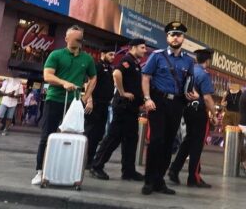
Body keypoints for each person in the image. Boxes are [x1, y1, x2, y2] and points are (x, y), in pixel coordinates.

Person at [31, 25, 97, 186]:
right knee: (47, 135)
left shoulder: (87, 59)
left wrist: (86, 97)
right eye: (75, 38)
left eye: (80, 38)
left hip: (74, 103)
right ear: (67, 39)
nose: (79, 41)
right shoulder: (56, 55)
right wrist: (64, 83)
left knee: (72, 135)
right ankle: (40, 171)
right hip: (55, 100)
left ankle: (67, 170)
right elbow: (47, 75)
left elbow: (93, 78)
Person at [140, 21, 199, 196]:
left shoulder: (189, 61)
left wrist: (193, 94)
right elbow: (145, 77)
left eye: (179, 35)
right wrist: (147, 98)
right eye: (172, 34)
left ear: (183, 38)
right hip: (158, 102)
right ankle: (149, 180)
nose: (175, 37)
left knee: (169, 143)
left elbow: (189, 83)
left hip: (177, 104)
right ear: (167, 37)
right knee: (156, 140)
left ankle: (159, 180)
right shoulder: (157, 56)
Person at [90, 39, 147, 181]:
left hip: (131, 108)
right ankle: (96, 166)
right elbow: (116, 74)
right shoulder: (126, 60)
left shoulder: (135, 63)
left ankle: (128, 170)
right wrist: (122, 92)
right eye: (142, 47)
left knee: (131, 139)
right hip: (123, 106)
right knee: (113, 138)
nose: (145, 50)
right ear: (133, 48)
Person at [169, 48, 218, 188]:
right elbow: (208, 98)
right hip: (198, 112)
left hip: (187, 110)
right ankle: (193, 177)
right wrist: (214, 115)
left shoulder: (190, 71)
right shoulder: (204, 75)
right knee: (197, 144)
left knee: (188, 140)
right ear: (208, 61)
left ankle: (174, 169)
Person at [85, 46, 116, 169]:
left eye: (114, 55)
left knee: (99, 134)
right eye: (110, 54)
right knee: (90, 133)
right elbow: (88, 82)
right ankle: (85, 160)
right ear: (103, 54)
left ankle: (91, 159)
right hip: (95, 104)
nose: (113, 57)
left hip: (104, 105)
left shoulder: (109, 68)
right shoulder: (97, 66)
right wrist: (89, 100)